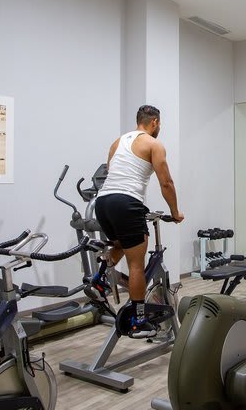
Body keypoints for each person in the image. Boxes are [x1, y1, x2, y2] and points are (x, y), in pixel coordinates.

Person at [91, 105, 184, 338]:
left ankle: (99, 278)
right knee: (136, 265)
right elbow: (166, 183)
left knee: (122, 244)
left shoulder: (117, 142)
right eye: (159, 124)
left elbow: (112, 173)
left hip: (102, 202)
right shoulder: (154, 144)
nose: (159, 128)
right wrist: (175, 212)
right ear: (154, 122)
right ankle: (139, 319)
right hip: (127, 203)